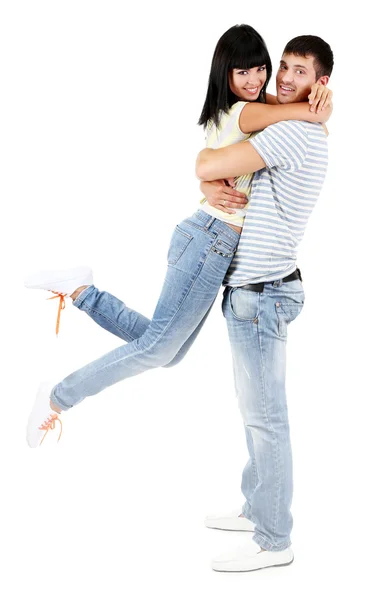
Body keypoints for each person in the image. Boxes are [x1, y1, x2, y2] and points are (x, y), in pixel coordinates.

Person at [24, 24, 330, 449]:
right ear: (224, 74)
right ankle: (57, 397)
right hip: (210, 238)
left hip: (210, 240)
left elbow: (277, 110)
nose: (257, 80)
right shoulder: (246, 111)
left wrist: (311, 99)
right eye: (244, 72)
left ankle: (80, 290)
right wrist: (321, 107)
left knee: (165, 349)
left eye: (261, 69)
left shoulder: (245, 107)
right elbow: (295, 113)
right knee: (157, 348)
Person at [195, 34, 334, 572]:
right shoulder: (295, 122)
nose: (284, 78)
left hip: (262, 290)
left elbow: (210, 162)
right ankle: (257, 505)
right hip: (258, 289)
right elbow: (211, 164)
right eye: (286, 66)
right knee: (256, 413)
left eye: (301, 73)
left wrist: (207, 176)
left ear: (320, 84)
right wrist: (208, 177)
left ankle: (274, 539)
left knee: (266, 419)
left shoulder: (294, 131)